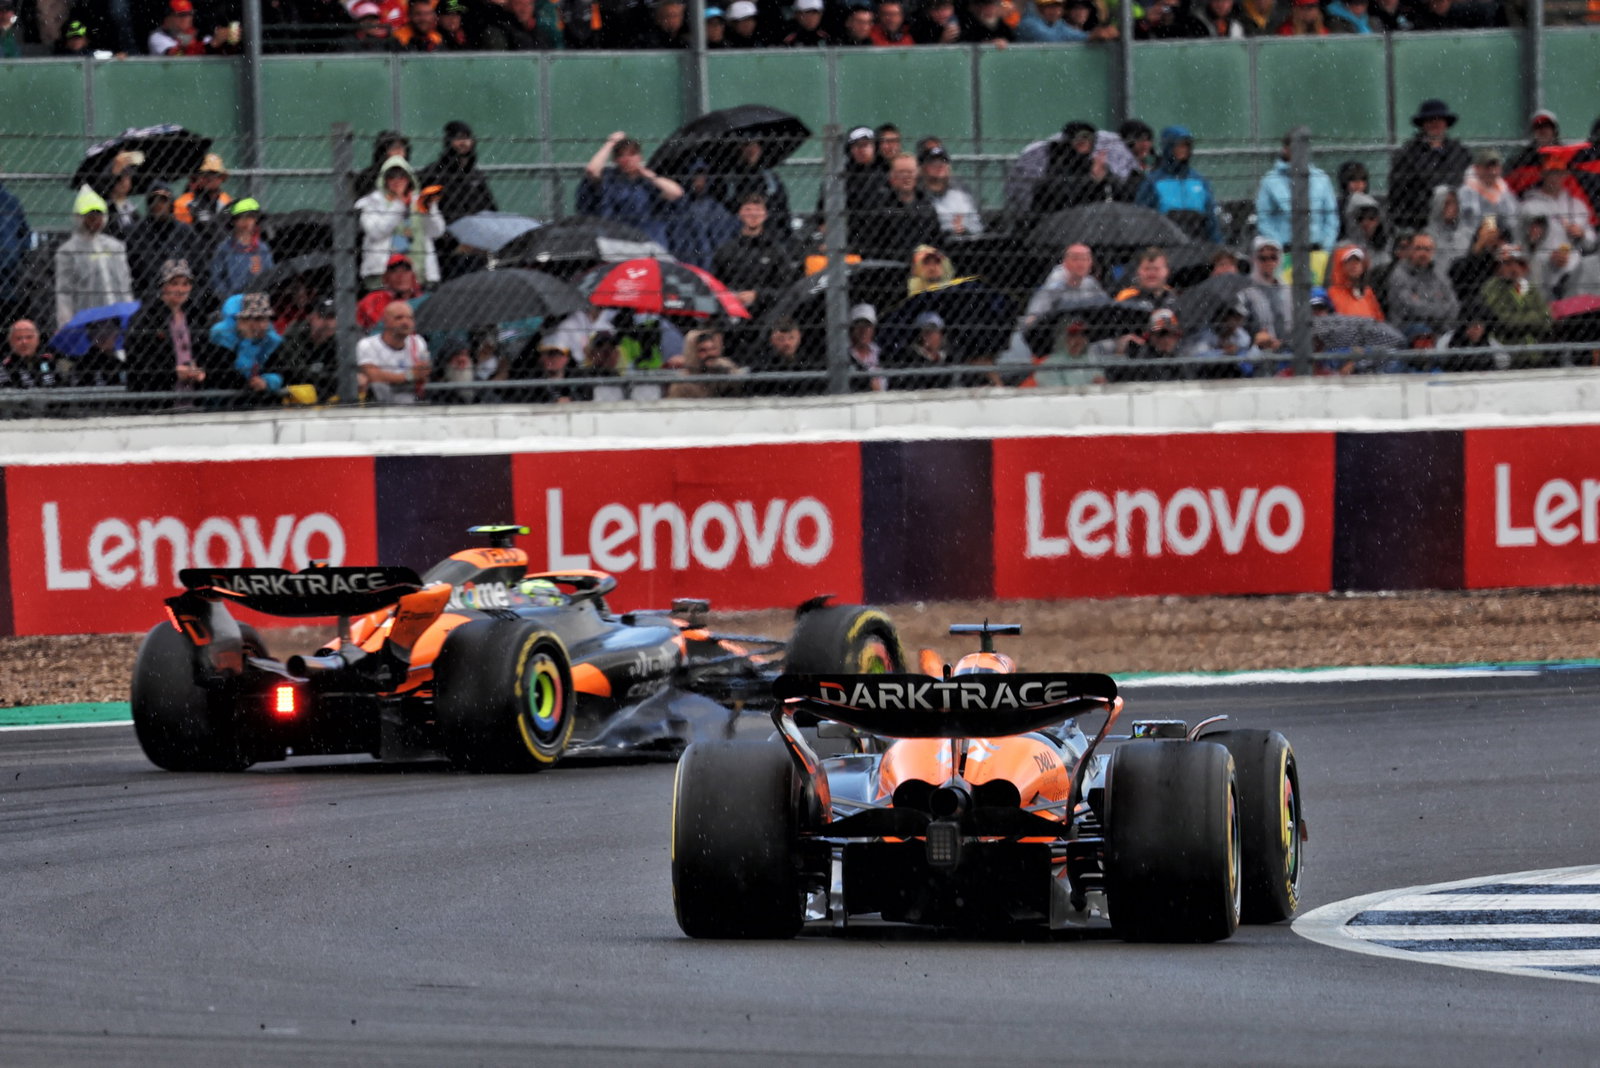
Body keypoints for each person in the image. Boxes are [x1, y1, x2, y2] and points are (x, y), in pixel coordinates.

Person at [418, 120, 498, 280]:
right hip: (448, 251)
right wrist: (451, 241)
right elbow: (424, 210)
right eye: (459, 138)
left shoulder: (476, 176)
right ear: (449, 142)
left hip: (477, 246)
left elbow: (490, 208)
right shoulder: (435, 174)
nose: (464, 143)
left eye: (467, 138)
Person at [577, 132, 683, 248]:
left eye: (632, 154)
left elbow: (676, 192)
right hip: (616, 239)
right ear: (616, 160)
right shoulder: (610, 179)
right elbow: (592, 170)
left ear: (640, 157)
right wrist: (610, 143)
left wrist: (650, 176)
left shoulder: (648, 182)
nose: (627, 159)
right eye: (621, 155)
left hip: (647, 240)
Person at [356, 156, 446, 289]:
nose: (397, 180)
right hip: (383, 274)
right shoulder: (372, 203)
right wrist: (398, 205)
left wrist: (429, 210)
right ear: (384, 179)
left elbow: (437, 232)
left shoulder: (420, 200)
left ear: (409, 178)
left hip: (418, 272)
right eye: (391, 176)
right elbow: (375, 232)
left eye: (402, 176)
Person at [125, 258, 207, 400]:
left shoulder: (195, 314)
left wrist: (200, 370)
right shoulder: (147, 318)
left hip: (193, 395)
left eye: (185, 284)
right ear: (162, 286)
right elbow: (139, 359)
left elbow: (204, 351)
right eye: (174, 284)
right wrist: (172, 372)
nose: (180, 289)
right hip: (156, 397)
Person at [55, 186, 134, 331]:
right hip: (86, 319)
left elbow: (124, 283)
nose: (94, 220)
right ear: (79, 217)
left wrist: (129, 314)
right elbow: (64, 292)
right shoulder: (68, 251)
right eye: (89, 215)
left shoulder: (115, 247)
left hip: (117, 317)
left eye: (98, 215)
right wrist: (66, 324)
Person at [1389, 98, 1472, 233]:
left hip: (1458, 223)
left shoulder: (1460, 153)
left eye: (1439, 119)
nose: (1435, 123)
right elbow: (1399, 195)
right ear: (1423, 124)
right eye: (1430, 120)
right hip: (1420, 224)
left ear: (1446, 123)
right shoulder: (1407, 154)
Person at [710, 192, 797, 320]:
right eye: (748, 209)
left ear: (765, 214)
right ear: (740, 214)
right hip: (731, 314)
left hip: (767, 315)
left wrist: (758, 295)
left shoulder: (776, 250)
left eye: (758, 209)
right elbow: (714, 285)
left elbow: (787, 289)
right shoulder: (726, 250)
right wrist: (731, 296)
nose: (753, 214)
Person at [1254, 132, 1340, 252]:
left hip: (1317, 249)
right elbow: (1264, 219)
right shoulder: (1270, 181)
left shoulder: (1321, 179)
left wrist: (1325, 246)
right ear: (1285, 149)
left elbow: (1331, 217)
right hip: (1286, 250)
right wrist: (1279, 245)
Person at [1135, 126, 1221, 242]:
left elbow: (1211, 218)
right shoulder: (1153, 182)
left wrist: (1217, 244)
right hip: (1165, 243)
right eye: (1179, 145)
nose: (1183, 150)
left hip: (1198, 242)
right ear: (1169, 147)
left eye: (1186, 146)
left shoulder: (1199, 181)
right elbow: (1143, 217)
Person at [858, 154, 941, 263]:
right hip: (890, 267)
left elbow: (936, 241)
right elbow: (870, 245)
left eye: (910, 172)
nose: (906, 176)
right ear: (892, 177)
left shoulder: (927, 206)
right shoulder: (881, 207)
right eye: (901, 172)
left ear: (917, 175)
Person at [124, 183, 201, 299]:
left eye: (163, 200)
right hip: (144, 295)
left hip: (182, 294)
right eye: (154, 200)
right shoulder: (134, 232)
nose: (158, 204)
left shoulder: (185, 231)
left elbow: (199, 266)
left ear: (171, 204)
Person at [209, 290, 287, 404]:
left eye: (265, 319)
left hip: (260, 402)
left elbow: (282, 371)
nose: (263, 325)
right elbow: (230, 379)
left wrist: (268, 382)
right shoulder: (222, 338)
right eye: (256, 319)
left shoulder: (270, 339)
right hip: (224, 403)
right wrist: (247, 341)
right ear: (242, 320)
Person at [1478, 245, 1552, 362]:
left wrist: (1523, 321)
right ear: (1498, 267)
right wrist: (1533, 317)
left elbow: (1547, 319)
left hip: (1535, 353)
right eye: (1508, 264)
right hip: (1506, 352)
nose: (1514, 268)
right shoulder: (1491, 288)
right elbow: (1504, 320)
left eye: (1518, 263)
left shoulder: (1530, 288)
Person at [715, 136, 793, 239]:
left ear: (760, 149)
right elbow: (725, 207)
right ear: (740, 149)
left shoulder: (771, 178)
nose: (751, 149)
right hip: (736, 234)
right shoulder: (731, 179)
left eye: (755, 145)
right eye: (746, 145)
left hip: (769, 234)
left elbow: (782, 209)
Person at [666, 162, 739, 272]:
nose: (699, 181)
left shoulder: (715, 208)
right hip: (679, 262)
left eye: (703, 177)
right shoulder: (676, 206)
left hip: (707, 266)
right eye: (695, 177)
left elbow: (723, 242)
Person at [1033, 122, 1118, 215]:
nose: (1085, 142)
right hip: (1062, 221)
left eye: (1090, 138)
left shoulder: (1093, 164)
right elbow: (1065, 199)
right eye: (1080, 139)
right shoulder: (1056, 165)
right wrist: (1092, 179)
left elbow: (1118, 194)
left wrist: (1105, 177)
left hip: (1092, 220)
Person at [1385, 232, 1459, 336]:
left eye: (1428, 249)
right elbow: (1409, 308)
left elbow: (1453, 305)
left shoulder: (1438, 274)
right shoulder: (1399, 274)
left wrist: (1422, 301)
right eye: (1418, 248)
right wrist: (1438, 306)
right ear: (1409, 250)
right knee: (1422, 331)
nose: (1423, 253)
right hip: (1406, 329)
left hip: (1440, 327)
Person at [357, 299, 430, 404]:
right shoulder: (367, 344)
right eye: (399, 318)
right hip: (380, 400)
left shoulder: (418, 341)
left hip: (412, 397)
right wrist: (409, 376)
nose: (405, 322)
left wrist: (391, 377)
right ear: (385, 321)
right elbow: (373, 376)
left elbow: (424, 372)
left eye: (410, 318)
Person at [1023, 242, 1106, 328]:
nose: (1081, 263)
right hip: (1056, 329)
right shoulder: (1056, 280)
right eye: (1076, 259)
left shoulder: (1090, 283)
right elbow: (1035, 313)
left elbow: (1105, 305)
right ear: (1065, 262)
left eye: (1085, 259)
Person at [275, 296, 340, 402]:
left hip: (326, 393)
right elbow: (298, 375)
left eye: (333, 317)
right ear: (311, 317)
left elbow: (345, 373)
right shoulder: (293, 337)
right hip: (295, 397)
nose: (329, 323)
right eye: (323, 317)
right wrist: (328, 377)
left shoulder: (338, 338)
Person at [210, 197, 275, 299]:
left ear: (256, 219)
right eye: (241, 217)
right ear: (233, 221)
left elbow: (270, 276)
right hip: (233, 299)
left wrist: (260, 274)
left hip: (257, 299)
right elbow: (216, 278)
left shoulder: (262, 248)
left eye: (251, 217)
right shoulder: (224, 248)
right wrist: (228, 297)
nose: (246, 221)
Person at [1238, 235, 1292, 354]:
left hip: (1288, 350)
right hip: (1258, 351)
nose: (1269, 262)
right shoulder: (1245, 291)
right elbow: (1240, 326)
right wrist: (1256, 339)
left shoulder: (1288, 290)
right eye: (1263, 258)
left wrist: (1284, 342)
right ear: (1254, 260)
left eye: (1273, 257)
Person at [916, 145, 983, 238]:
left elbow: (977, 228)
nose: (939, 165)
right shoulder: (917, 197)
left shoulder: (960, 196)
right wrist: (950, 230)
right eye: (933, 162)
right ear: (922, 168)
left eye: (943, 161)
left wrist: (964, 229)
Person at [747, 317, 825, 395]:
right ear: (772, 340)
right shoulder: (763, 362)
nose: (787, 343)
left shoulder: (810, 358)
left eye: (791, 338)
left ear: (799, 337)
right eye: (781, 339)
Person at [885, 311, 962, 390]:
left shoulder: (949, 357)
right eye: (927, 332)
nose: (931, 336)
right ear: (920, 334)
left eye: (935, 331)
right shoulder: (909, 357)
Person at [1456, 148, 1521, 240]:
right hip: (1471, 241)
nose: (1492, 172)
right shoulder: (1467, 191)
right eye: (1487, 167)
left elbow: (1513, 220)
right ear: (1477, 168)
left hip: (1500, 239)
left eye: (1495, 167)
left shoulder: (1503, 189)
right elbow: (1469, 223)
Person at [1110, 307, 1186, 381]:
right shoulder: (1141, 357)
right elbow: (1116, 378)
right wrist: (1119, 355)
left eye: (1174, 334)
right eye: (1162, 334)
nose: (1167, 339)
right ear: (1150, 335)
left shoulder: (1180, 359)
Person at [667, 327, 744, 398]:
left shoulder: (724, 368)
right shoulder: (682, 382)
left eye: (712, 349)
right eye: (703, 350)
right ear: (693, 353)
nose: (710, 354)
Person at [1505, 110, 1565, 196]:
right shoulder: (1522, 159)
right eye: (1538, 126)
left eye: (1547, 126)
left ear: (1554, 131)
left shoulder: (1566, 156)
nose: (1543, 130)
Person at [356, 254, 421, 330]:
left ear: (413, 276)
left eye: (405, 271)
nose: (400, 276)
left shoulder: (423, 300)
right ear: (386, 278)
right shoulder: (373, 300)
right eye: (394, 271)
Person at [0, 170, 29, 329]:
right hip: (10, 281)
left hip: (9, 281)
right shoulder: (11, 201)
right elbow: (24, 237)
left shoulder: (10, 202)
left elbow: (24, 236)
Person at [174, 153, 233, 232]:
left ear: (221, 178)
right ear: (198, 177)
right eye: (205, 174)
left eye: (214, 174)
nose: (210, 178)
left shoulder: (228, 201)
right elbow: (182, 232)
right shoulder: (183, 202)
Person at [1326, 244, 1384, 320]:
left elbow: (1379, 321)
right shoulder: (1332, 294)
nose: (1354, 265)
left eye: (1357, 261)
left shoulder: (1367, 293)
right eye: (1349, 261)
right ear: (1341, 266)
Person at [1426, 184, 1472, 278]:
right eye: (1447, 203)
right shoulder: (1426, 236)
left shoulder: (1467, 233)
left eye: (1455, 203)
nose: (1453, 207)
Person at [1, 319, 59, 392]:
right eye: (18, 338)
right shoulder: (5, 367)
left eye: (29, 337)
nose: (24, 342)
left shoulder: (48, 361)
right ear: (11, 342)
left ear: (37, 340)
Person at [1017, 0, 1090, 41]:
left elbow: (1071, 33)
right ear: (1039, 8)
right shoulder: (1028, 22)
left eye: (1058, 6)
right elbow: (1050, 39)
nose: (1055, 11)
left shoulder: (1058, 23)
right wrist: (1088, 37)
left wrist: (1091, 35)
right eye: (1050, 6)